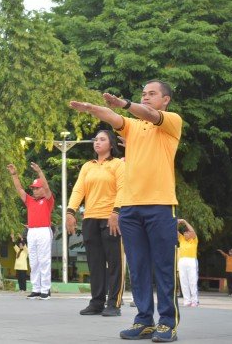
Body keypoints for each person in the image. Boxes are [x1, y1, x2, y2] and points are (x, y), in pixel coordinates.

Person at [70, 79, 183, 342]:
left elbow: (149, 114)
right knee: (138, 267)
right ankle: (143, 321)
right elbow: (113, 117)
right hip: (131, 208)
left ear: (165, 100)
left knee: (164, 267)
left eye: (152, 93)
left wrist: (124, 103)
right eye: (143, 94)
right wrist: (92, 109)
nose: (146, 97)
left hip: (160, 205)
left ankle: (167, 323)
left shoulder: (171, 121)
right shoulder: (132, 127)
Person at [66, 130, 125, 317]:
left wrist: (116, 212)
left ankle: (114, 304)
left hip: (111, 219)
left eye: (102, 139)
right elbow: (78, 190)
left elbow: (123, 189)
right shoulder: (88, 166)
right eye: (96, 140)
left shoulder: (118, 164)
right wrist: (70, 211)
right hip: (90, 218)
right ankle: (97, 302)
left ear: (111, 144)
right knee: (95, 263)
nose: (97, 142)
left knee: (114, 263)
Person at [7, 162, 54, 300]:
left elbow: (46, 187)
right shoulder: (30, 201)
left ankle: (45, 290)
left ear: (43, 189)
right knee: (34, 261)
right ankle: (36, 289)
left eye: (37, 188)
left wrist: (39, 172)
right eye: (33, 188)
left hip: (44, 231)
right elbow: (19, 189)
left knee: (44, 260)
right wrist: (14, 175)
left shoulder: (48, 200)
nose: (34, 190)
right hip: (32, 231)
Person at [177, 219, 199, 307]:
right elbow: (174, 231)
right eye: (185, 233)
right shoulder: (181, 239)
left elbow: (192, 231)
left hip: (191, 260)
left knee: (192, 281)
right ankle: (187, 300)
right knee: (183, 281)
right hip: (182, 261)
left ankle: (195, 300)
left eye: (187, 233)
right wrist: (176, 223)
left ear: (191, 234)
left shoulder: (194, 240)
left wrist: (184, 221)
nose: (186, 234)